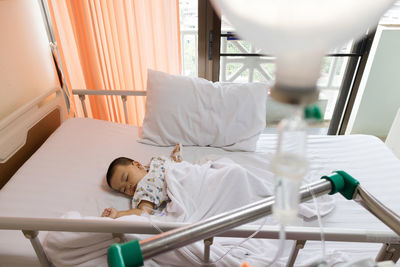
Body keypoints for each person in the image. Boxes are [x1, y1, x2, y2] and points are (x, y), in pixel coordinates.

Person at [102, 144, 182, 219]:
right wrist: (117, 214)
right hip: (182, 187)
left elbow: (173, 164)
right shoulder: (144, 191)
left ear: (137, 165)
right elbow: (143, 212)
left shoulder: (155, 163)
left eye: (126, 178)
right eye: (123, 189)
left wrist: (175, 155)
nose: (128, 187)